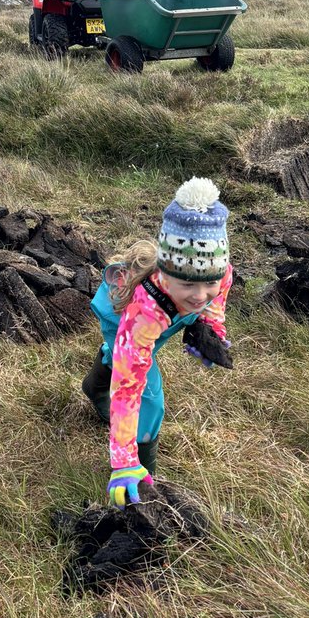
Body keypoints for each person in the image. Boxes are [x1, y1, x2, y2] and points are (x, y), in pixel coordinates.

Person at [81, 178, 233, 508]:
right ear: (165, 275)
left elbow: (221, 290)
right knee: (148, 396)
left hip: (165, 318)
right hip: (126, 319)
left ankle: (92, 386)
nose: (200, 295)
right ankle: (143, 481)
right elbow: (127, 388)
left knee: (134, 356)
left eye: (208, 282)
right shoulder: (142, 316)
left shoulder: (217, 271)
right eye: (187, 285)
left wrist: (211, 326)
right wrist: (123, 463)